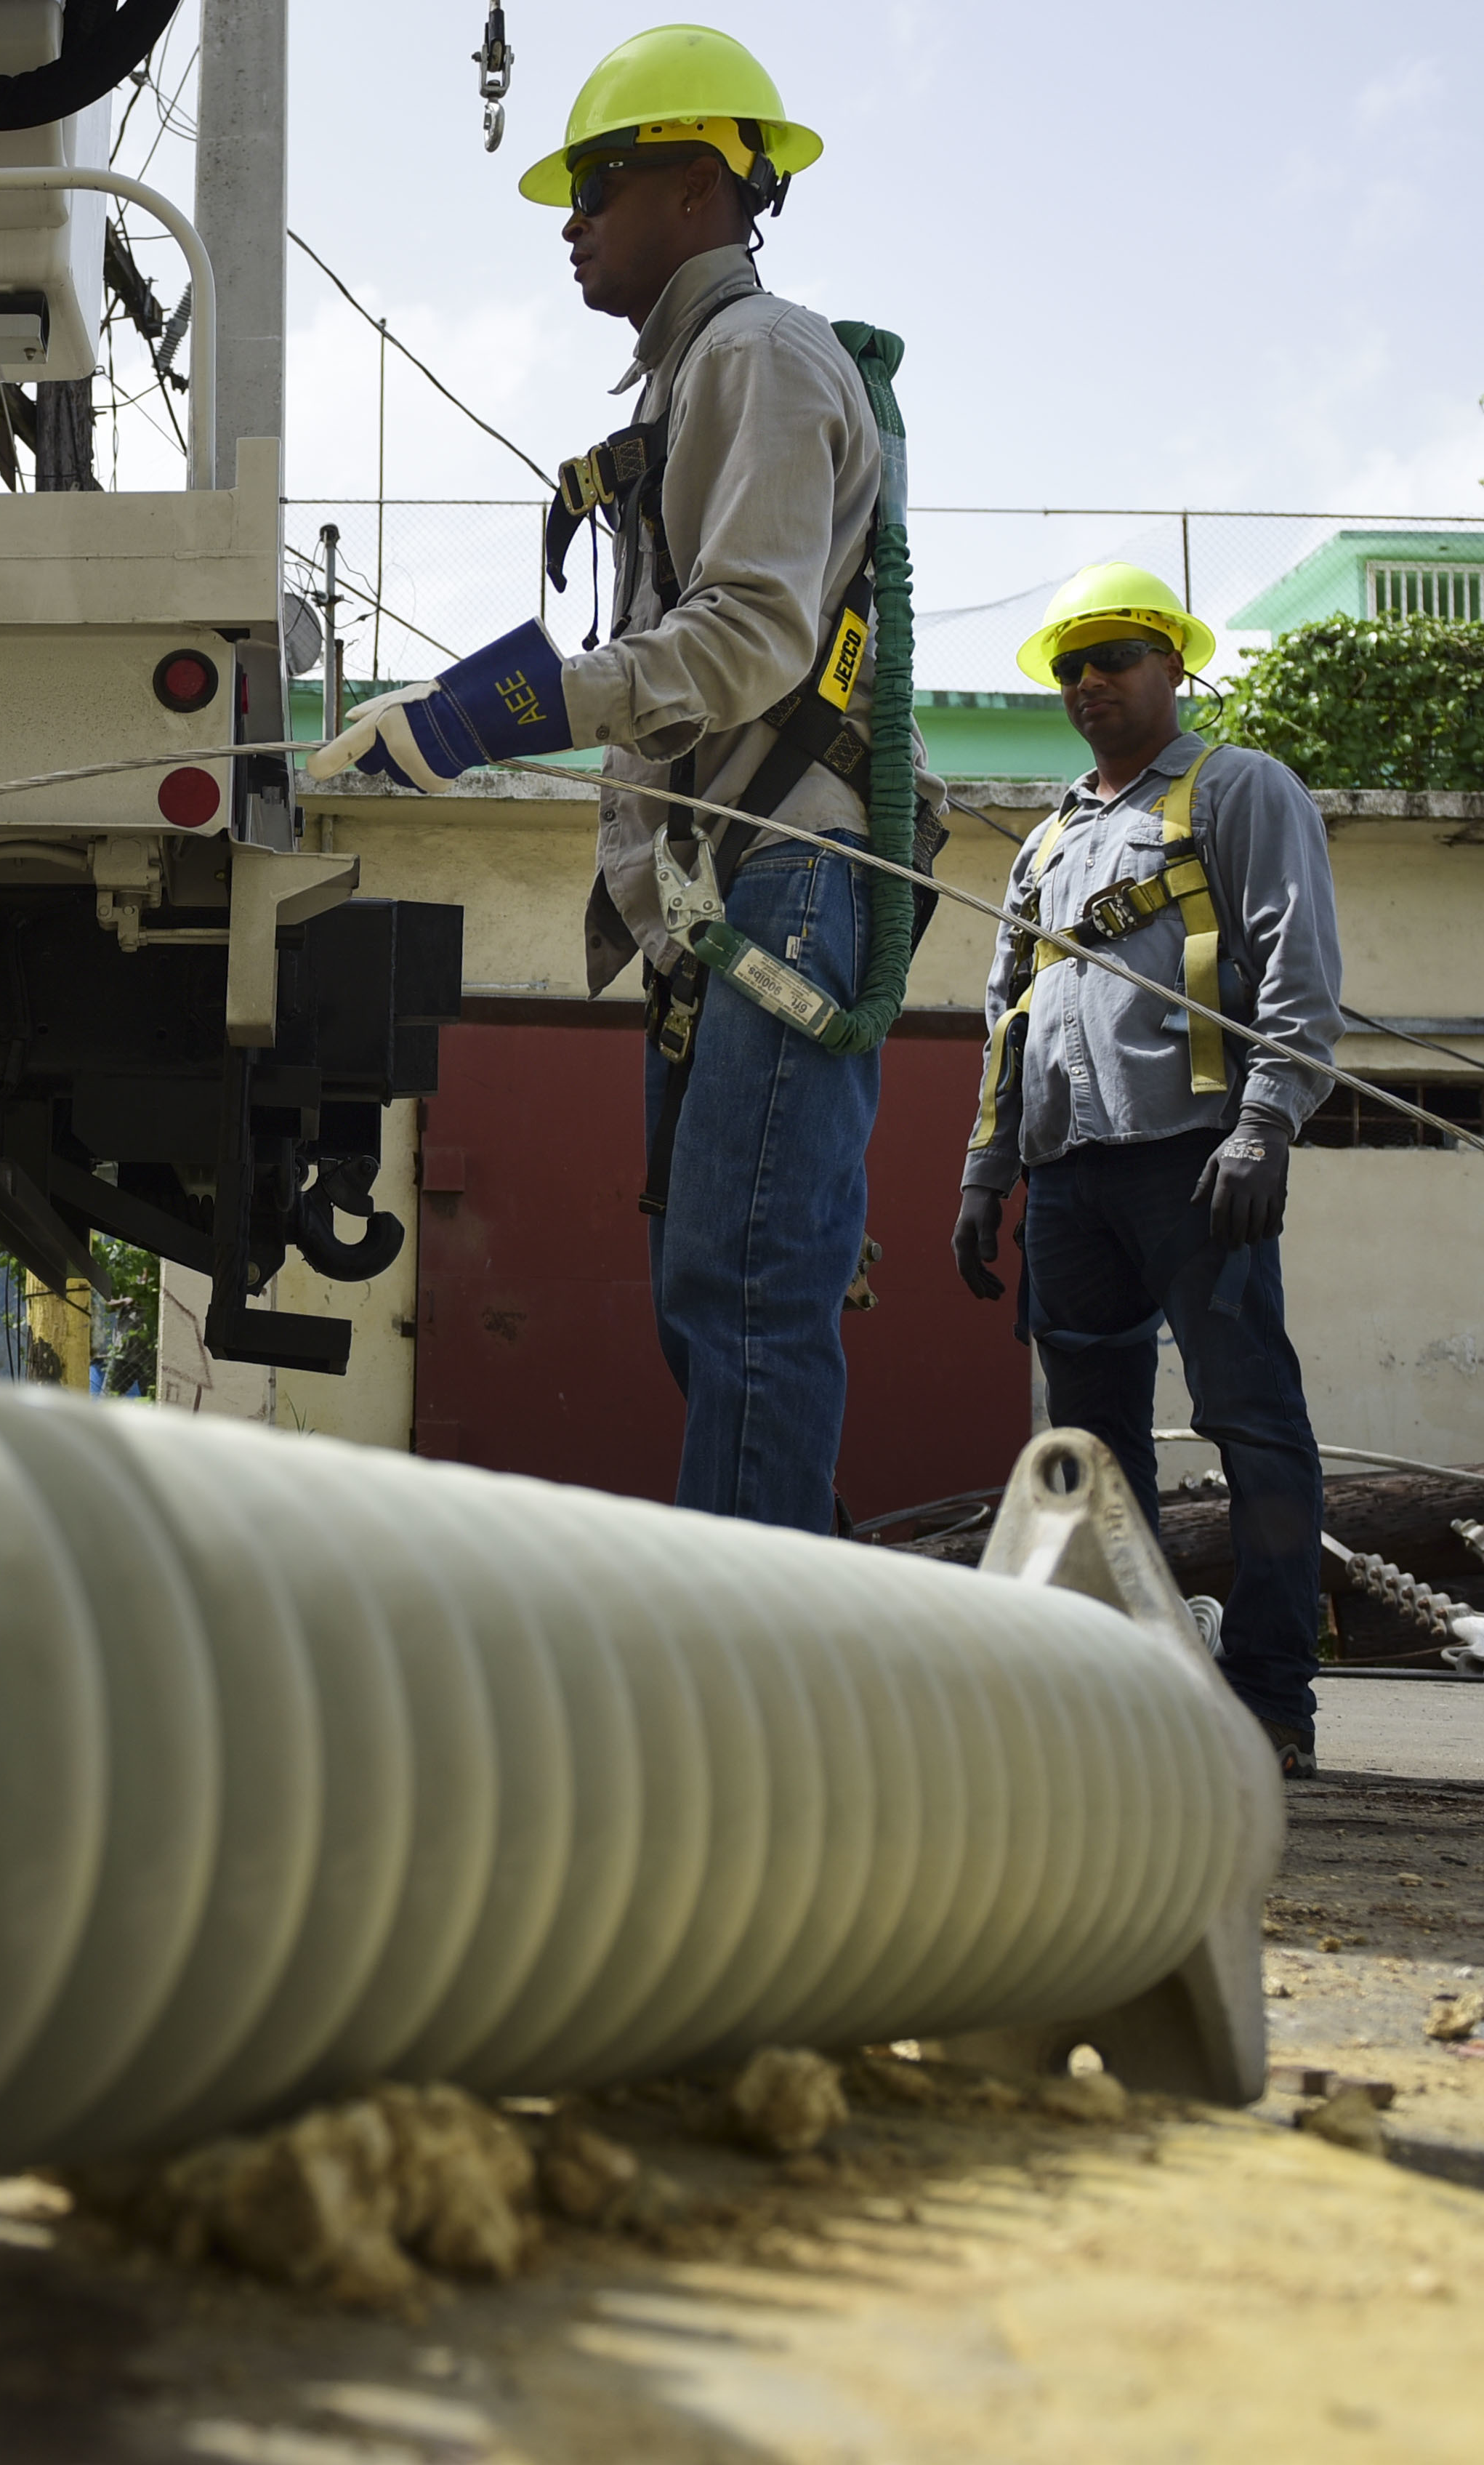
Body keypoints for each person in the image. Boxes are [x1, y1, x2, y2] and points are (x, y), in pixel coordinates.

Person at [308, 25, 908, 1529]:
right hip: (727, 910)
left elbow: (750, 638)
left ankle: (766, 1709)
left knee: (746, 1305)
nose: (569, 222)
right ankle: (799, 1668)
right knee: (716, 1305)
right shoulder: (693, 378)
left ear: (696, 189)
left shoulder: (760, 358)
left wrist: (483, 710)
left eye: (595, 183)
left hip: (782, 889)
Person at [952, 565, 1341, 1775]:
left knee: (1252, 1425)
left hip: (1196, 1162)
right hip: (1070, 1179)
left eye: (1115, 656)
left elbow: (1297, 965)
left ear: (1174, 663)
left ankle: (1272, 1701)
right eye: (1071, 665)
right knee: (1094, 1452)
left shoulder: (1238, 790)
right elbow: (1007, 1015)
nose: (1089, 682)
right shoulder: (1050, 842)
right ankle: (1134, 1699)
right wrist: (987, 1170)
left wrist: (1268, 1122)